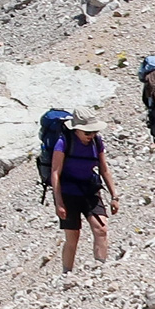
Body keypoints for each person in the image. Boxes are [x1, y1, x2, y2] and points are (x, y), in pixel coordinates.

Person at [50, 115, 119, 271]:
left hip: (89, 190)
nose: (91, 135)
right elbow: (55, 173)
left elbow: (104, 169)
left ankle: (99, 270)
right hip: (68, 192)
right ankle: (66, 274)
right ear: (76, 129)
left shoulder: (96, 142)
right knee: (73, 236)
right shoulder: (63, 142)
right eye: (87, 132)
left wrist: (114, 196)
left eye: (94, 131)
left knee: (101, 229)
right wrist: (59, 202)